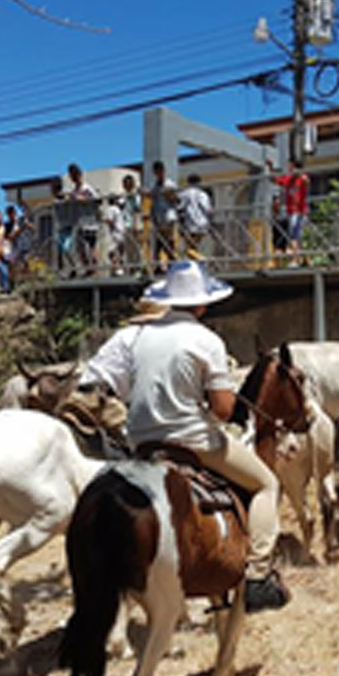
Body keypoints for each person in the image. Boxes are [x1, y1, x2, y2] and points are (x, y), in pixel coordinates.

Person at [78, 261, 290, 613]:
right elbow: (223, 411)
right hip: (194, 441)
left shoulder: (133, 336)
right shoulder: (207, 340)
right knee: (266, 484)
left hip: (141, 443)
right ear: (203, 304)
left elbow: (96, 381)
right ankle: (257, 576)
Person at [268, 158, 309, 263]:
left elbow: (306, 181)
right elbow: (275, 180)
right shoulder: (288, 179)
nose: (289, 169)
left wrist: (299, 174)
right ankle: (304, 260)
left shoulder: (302, 179)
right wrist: (270, 167)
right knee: (297, 237)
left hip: (299, 212)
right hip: (291, 212)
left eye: (290, 167)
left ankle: (296, 260)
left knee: (294, 236)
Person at [147, 161, 179, 271]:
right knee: (158, 242)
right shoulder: (154, 185)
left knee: (168, 241)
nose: (158, 174)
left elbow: (176, 200)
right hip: (158, 217)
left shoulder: (170, 184)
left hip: (168, 217)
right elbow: (153, 200)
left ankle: (172, 264)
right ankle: (158, 265)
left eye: (160, 171)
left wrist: (169, 195)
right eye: (156, 172)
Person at [177, 173, 213, 260]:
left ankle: (202, 259)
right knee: (193, 247)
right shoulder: (203, 194)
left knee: (188, 249)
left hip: (191, 225)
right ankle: (196, 264)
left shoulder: (185, 193)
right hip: (203, 225)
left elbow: (180, 206)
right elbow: (208, 209)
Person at [119, 172, 144, 274]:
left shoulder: (135, 195)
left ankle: (138, 268)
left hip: (135, 224)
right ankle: (131, 268)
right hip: (126, 224)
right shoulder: (124, 195)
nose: (126, 186)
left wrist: (135, 224)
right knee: (129, 249)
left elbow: (137, 210)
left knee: (137, 248)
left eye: (128, 183)